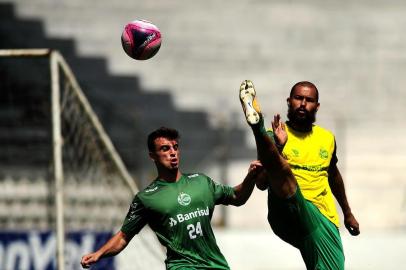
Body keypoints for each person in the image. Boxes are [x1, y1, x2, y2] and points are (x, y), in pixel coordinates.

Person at [81, 126, 262, 269]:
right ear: (152, 156)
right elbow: (123, 237)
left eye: (175, 147)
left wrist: (251, 177)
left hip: (215, 264)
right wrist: (99, 253)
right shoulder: (146, 198)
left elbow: (237, 196)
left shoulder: (201, 182)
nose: (172, 152)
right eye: (165, 149)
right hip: (181, 267)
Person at [239, 80, 360, 270]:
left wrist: (347, 213)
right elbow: (261, 184)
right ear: (289, 101)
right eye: (298, 98)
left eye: (309, 100)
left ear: (317, 106)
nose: (303, 103)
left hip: (323, 217)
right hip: (286, 211)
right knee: (286, 174)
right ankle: (257, 126)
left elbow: (334, 176)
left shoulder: (327, 138)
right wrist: (278, 147)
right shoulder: (274, 136)